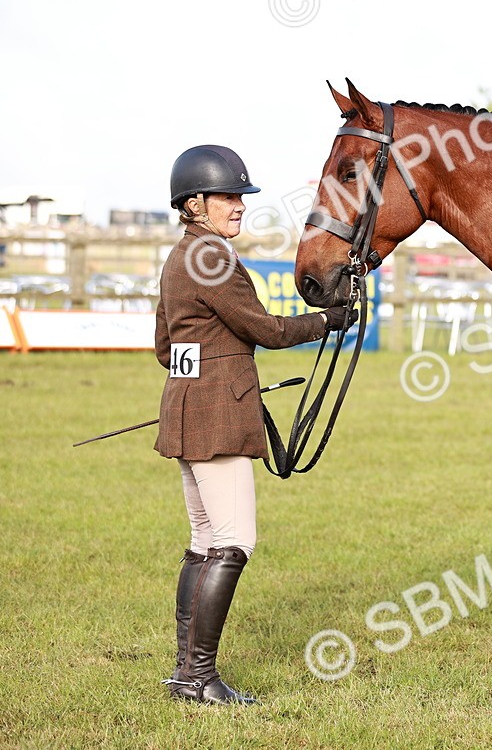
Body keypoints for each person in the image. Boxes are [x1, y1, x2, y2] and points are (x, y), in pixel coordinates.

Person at [154, 145, 355, 705]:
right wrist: (328, 320)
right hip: (218, 417)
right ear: (195, 203)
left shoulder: (178, 258)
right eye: (228, 197)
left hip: (188, 411)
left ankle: (184, 675)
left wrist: (206, 373)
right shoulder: (211, 258)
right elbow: (263, 329)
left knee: (203, 541)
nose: (239, 206)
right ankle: (197, 678)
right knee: (235, 542)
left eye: (241, 196)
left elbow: (166, 347)